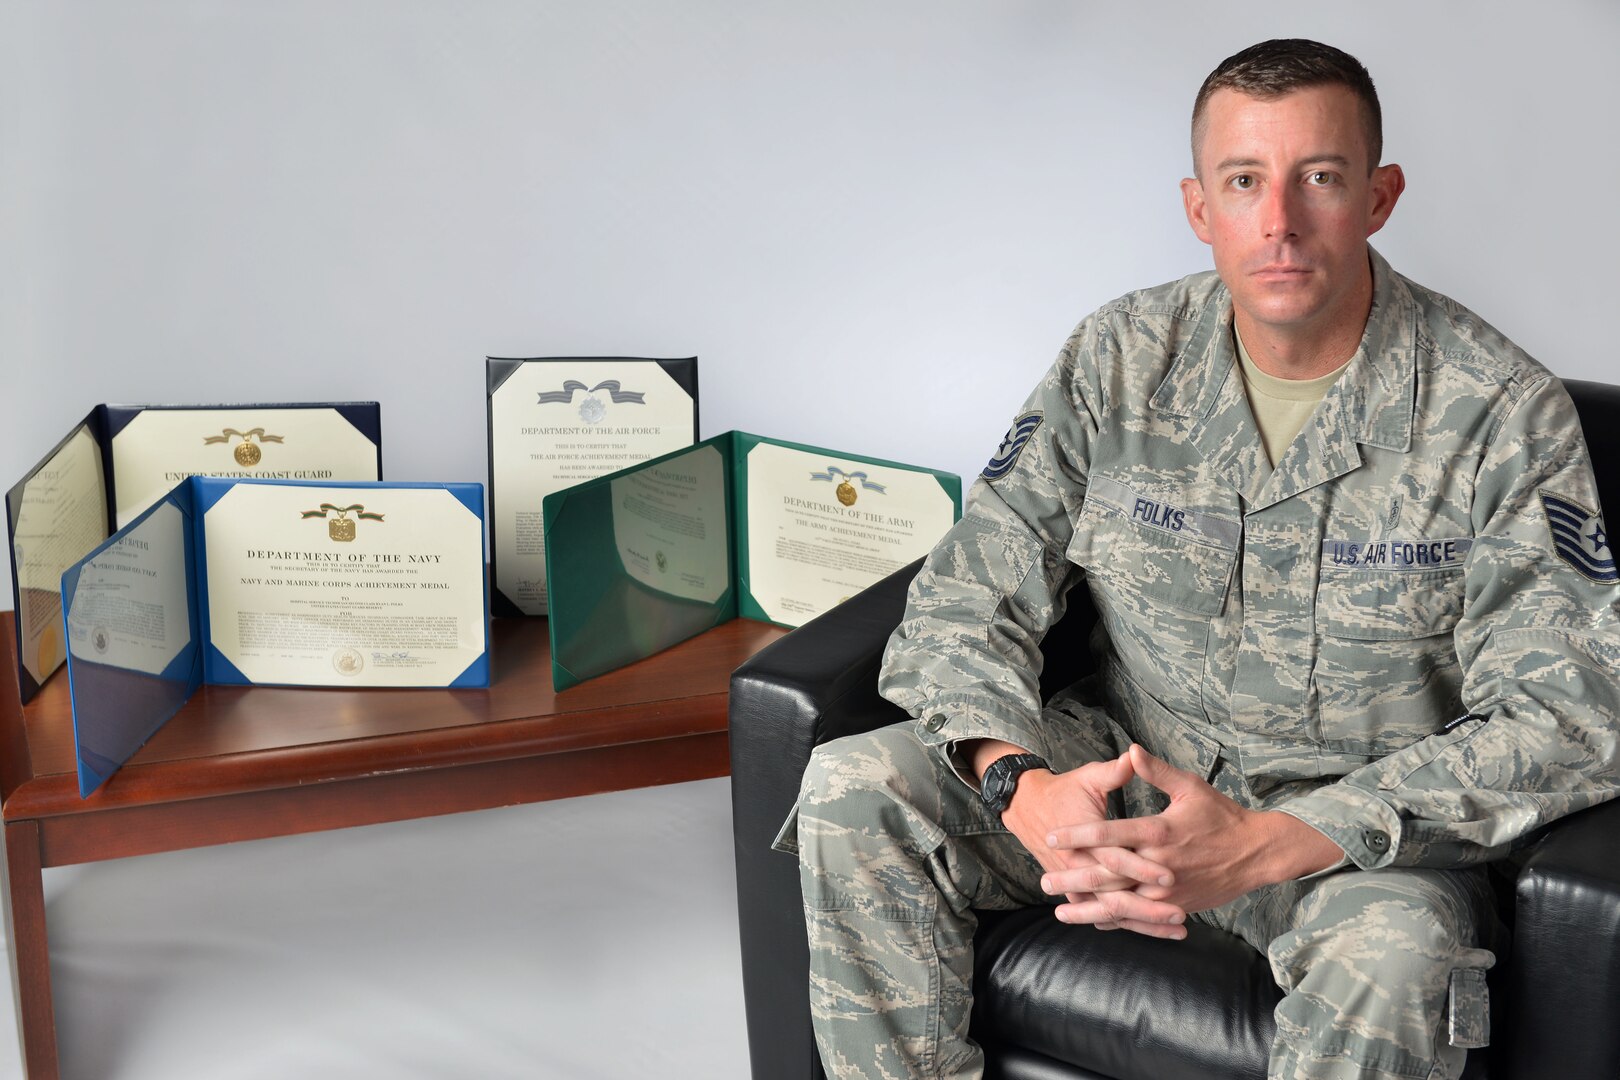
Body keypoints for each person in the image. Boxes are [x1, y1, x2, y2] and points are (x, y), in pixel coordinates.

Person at [776, 38, 1620, 1080]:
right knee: (856, 783)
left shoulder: (1499, 411)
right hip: (1121, 771)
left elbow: (1570, 713)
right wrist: (1021, 784)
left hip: (1347, 839)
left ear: (1379, 195)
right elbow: (968, 590)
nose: (1280, 222)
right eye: (1244, 181)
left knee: (1399, 955)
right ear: (1198, 206)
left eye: (1320, 177)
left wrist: (1272, 842)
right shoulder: (1120, 358)